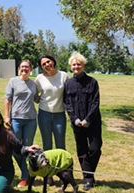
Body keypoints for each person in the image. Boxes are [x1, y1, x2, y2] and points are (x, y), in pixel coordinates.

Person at [64, 51, 102, 191]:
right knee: (82, 150)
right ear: (70, 66)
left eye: (79, 64)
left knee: (95, 149)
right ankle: (88, 179)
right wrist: (75, 120)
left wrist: (87, 120)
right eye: (74, 64)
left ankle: (89, 174)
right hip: (77, 124)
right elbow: (67, 103)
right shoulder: (68, 83)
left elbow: (95, 102)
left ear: (84, 65)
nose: (76, 66)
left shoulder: (92, 82)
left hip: (93, 122)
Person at [35, 55, 69, 185]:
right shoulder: (39, 78)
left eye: (48, 62)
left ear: (53, 61)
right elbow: (35, 94)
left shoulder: (64, 76)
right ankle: (49, 174)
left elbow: (69, 92)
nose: (47, 65)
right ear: (41, 67)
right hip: (44, 114)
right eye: (43, 64)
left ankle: (63, 175)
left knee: (61, 147)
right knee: (47, 146)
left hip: (60, 114)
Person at [4, 60, 38, 188]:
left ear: (31, 69)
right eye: (22, 67)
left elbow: (37, 99)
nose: (24, 69)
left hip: (31, 120)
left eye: (27, 67)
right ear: (19, 68)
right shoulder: (13, 81)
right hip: (15, 119)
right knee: (15, 149)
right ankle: (26, 172)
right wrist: (7, 116)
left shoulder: (33, 84)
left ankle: (24, 176)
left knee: (27, 148)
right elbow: (7, 99)